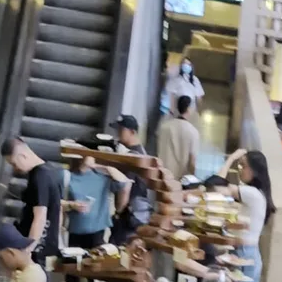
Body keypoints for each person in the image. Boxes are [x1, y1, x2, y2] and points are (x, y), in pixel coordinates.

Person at [214, 148, 274, 282]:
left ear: (254, 170)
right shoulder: (257, 194)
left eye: (243, 166)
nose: (240, 170)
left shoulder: (252, 193)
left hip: (244, 255)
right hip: (251, 254)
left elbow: (215, 186)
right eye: (239, 165)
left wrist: (231, 158)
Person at [0, 138, 61, 266]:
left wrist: (28, 250)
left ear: (22, 156)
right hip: (45, 244)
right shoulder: (49, 170)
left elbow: (40, 217)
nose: (15, 169)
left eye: (14, 164)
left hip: (38, 249)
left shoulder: (40, 177)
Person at [64, 153, 131, 251]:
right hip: (75, 230)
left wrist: (99, 166)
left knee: (96, 260)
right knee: (73, 262)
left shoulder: (102, 178)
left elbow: (124, 182)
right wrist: (72, 205)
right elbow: (59, 202)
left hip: (97, 231)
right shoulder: (68, 177)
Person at [109, 115, 151, 244]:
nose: (118, 134)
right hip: (136, 213)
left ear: (132, 132)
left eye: (121, 130)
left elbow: (126, 187)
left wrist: (118, 212)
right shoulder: (141, 152)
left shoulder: (132, 156)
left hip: (128, 214)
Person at [156, 95, 200, 183]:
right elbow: (192, 162)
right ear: (189, 109)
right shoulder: (193, 132)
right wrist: (193, 180)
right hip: (180, 181)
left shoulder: (164, 127)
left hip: (162, 177)